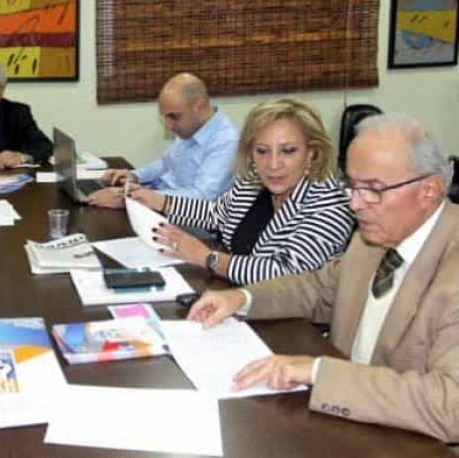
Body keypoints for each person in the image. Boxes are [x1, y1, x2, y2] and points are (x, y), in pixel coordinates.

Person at [187, 114, 459, 442]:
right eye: (352, 185)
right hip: (347, 422)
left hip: (412, 443)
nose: (355, 204)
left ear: (429, 191)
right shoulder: (374, 237)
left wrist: (316, 371)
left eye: (373, 189)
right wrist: (242, 298)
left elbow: (450, 405)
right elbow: (318, 289)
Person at [136, 98, 354, 285]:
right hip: (239, 297)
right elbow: (217, 215)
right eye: (262, 151)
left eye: (288, 151)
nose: (273, 164)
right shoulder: (254, 181)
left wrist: (207, 258)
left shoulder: (331, 205)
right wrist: (160, 202)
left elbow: (285, 272)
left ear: (312, 152)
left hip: (291, 318)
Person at [89, 73, 238, 209]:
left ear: (198, 106)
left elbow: (201, 198)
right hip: (158, 200)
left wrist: (134, 196)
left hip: (184, 219)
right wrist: (134, 176)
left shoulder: (226, 141)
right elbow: (165, 163)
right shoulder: (191, 127)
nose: (168, 126)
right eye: (165, 117)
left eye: (173, 116)